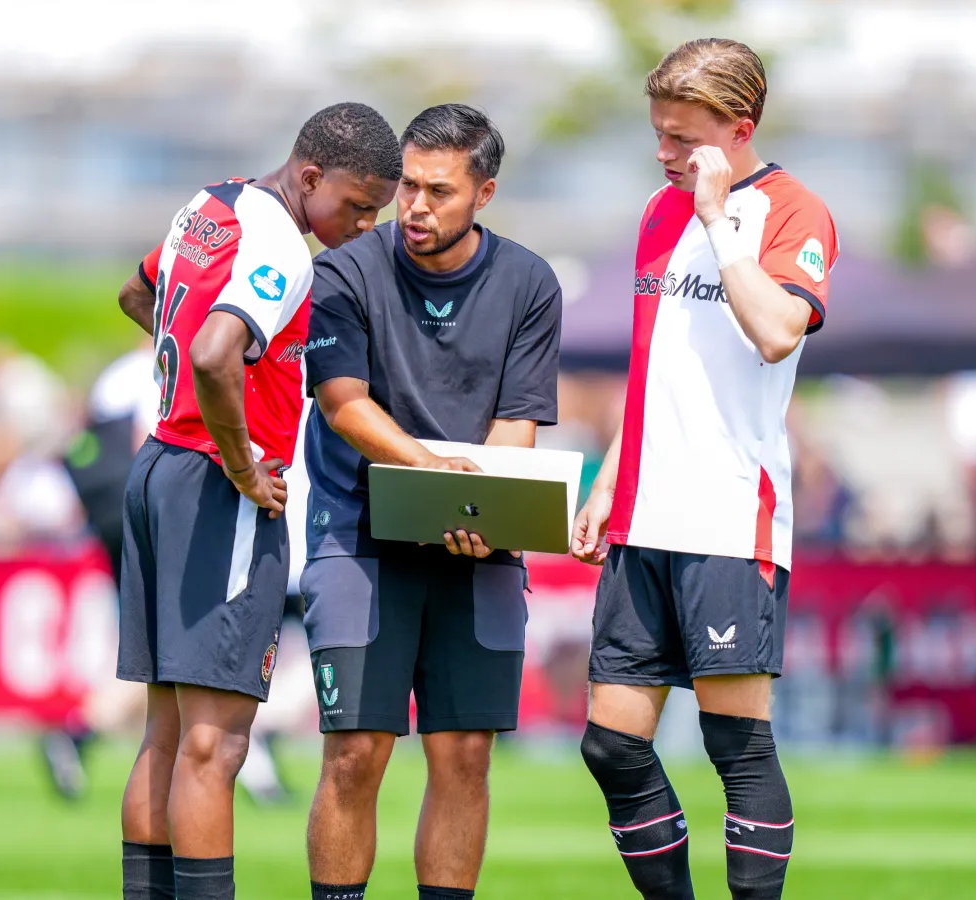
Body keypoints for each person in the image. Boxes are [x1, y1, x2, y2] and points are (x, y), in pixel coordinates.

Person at [111, 102, 401, 900]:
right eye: (356, 204)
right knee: (217, 746)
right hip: (216, 484)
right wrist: (243, 465)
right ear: (310, 177)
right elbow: (213, 353)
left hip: (159, 470)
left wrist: (192, 384)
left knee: (166, 735)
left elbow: (141, 296)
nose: (366, 222)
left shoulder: (212, 203)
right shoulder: (282, 244)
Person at [569, 39, 837, 900]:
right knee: (610, 744)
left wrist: (720, 218)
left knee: (735, 747)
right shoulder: (657, 211)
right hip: (643, 515)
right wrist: (610, 477)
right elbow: (658, 365)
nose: (665, 154)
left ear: (739, 129)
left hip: (730, 519)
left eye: (681, 139)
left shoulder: (794, 212)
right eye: (658, 134)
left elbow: (775, 334)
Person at [300, 104, 562, 900]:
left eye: (438, 191)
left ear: (485, 192)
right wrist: (445, 485)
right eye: (408, 186)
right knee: (355, 753)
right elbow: (344, 403)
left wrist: (478, 515)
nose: (415, 206)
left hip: (477, 547)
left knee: (466, 756)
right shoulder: (344, 268)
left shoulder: (529, 281)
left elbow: (518, 421)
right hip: (358, 537)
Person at [40, 340, 292, 806]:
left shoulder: (118, 371)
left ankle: (84, 734)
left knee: (161, 648)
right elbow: (153, 443)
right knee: (184, 648)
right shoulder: (159, 368)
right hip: (172, 515)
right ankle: (83, 733)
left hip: (123, 517)